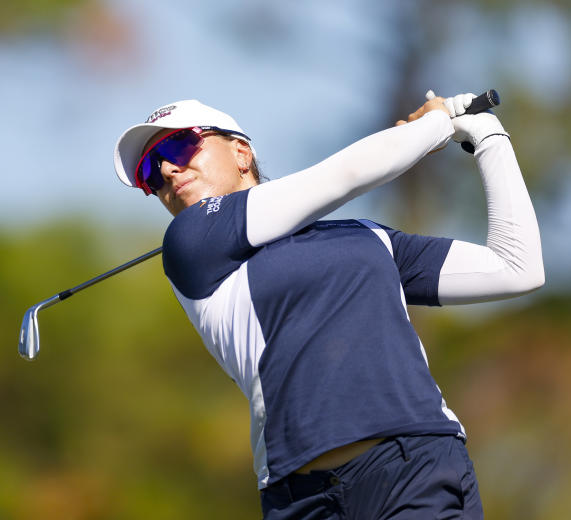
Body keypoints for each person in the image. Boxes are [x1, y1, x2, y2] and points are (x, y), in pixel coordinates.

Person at [113, 94, 544, 519]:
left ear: (241, 152)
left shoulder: (367, 237)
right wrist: (434, 126)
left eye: (180, 146)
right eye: (149, 171)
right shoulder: (190, 244)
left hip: (412, 469)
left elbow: (516, 267)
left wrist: (485, 133)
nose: (167, 169)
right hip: (299, 497)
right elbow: (346, 175)